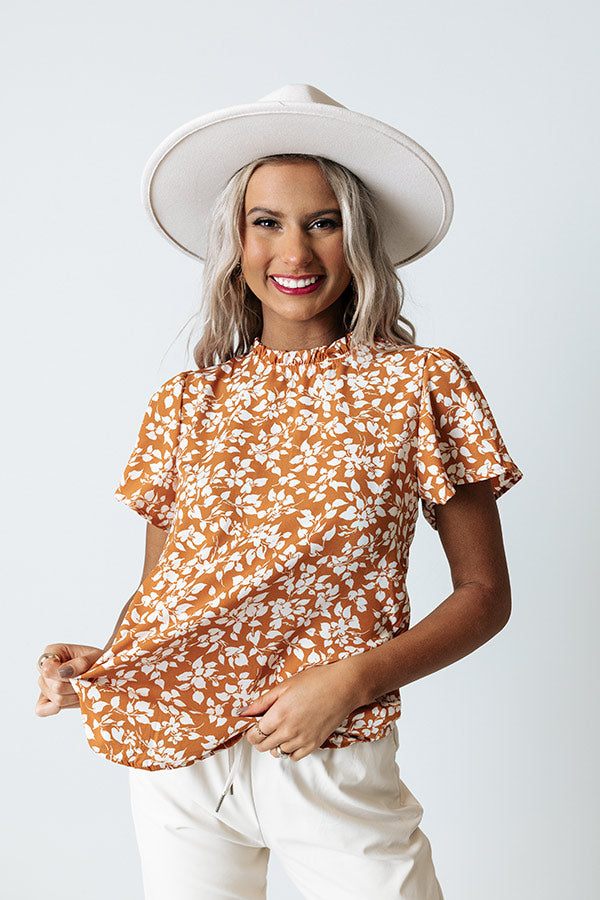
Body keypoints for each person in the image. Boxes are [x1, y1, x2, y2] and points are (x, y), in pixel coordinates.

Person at [35, 84, 523, 900]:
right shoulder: (187, 404)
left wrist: (350, 682)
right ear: (235, 240)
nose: (294, 251)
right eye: (267, 222)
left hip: (328, 752)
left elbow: (485, 595)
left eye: (322, 222)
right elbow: (163, 593)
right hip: (179, 762)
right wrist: (111, 661)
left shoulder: (420, 385)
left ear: (357, 237)